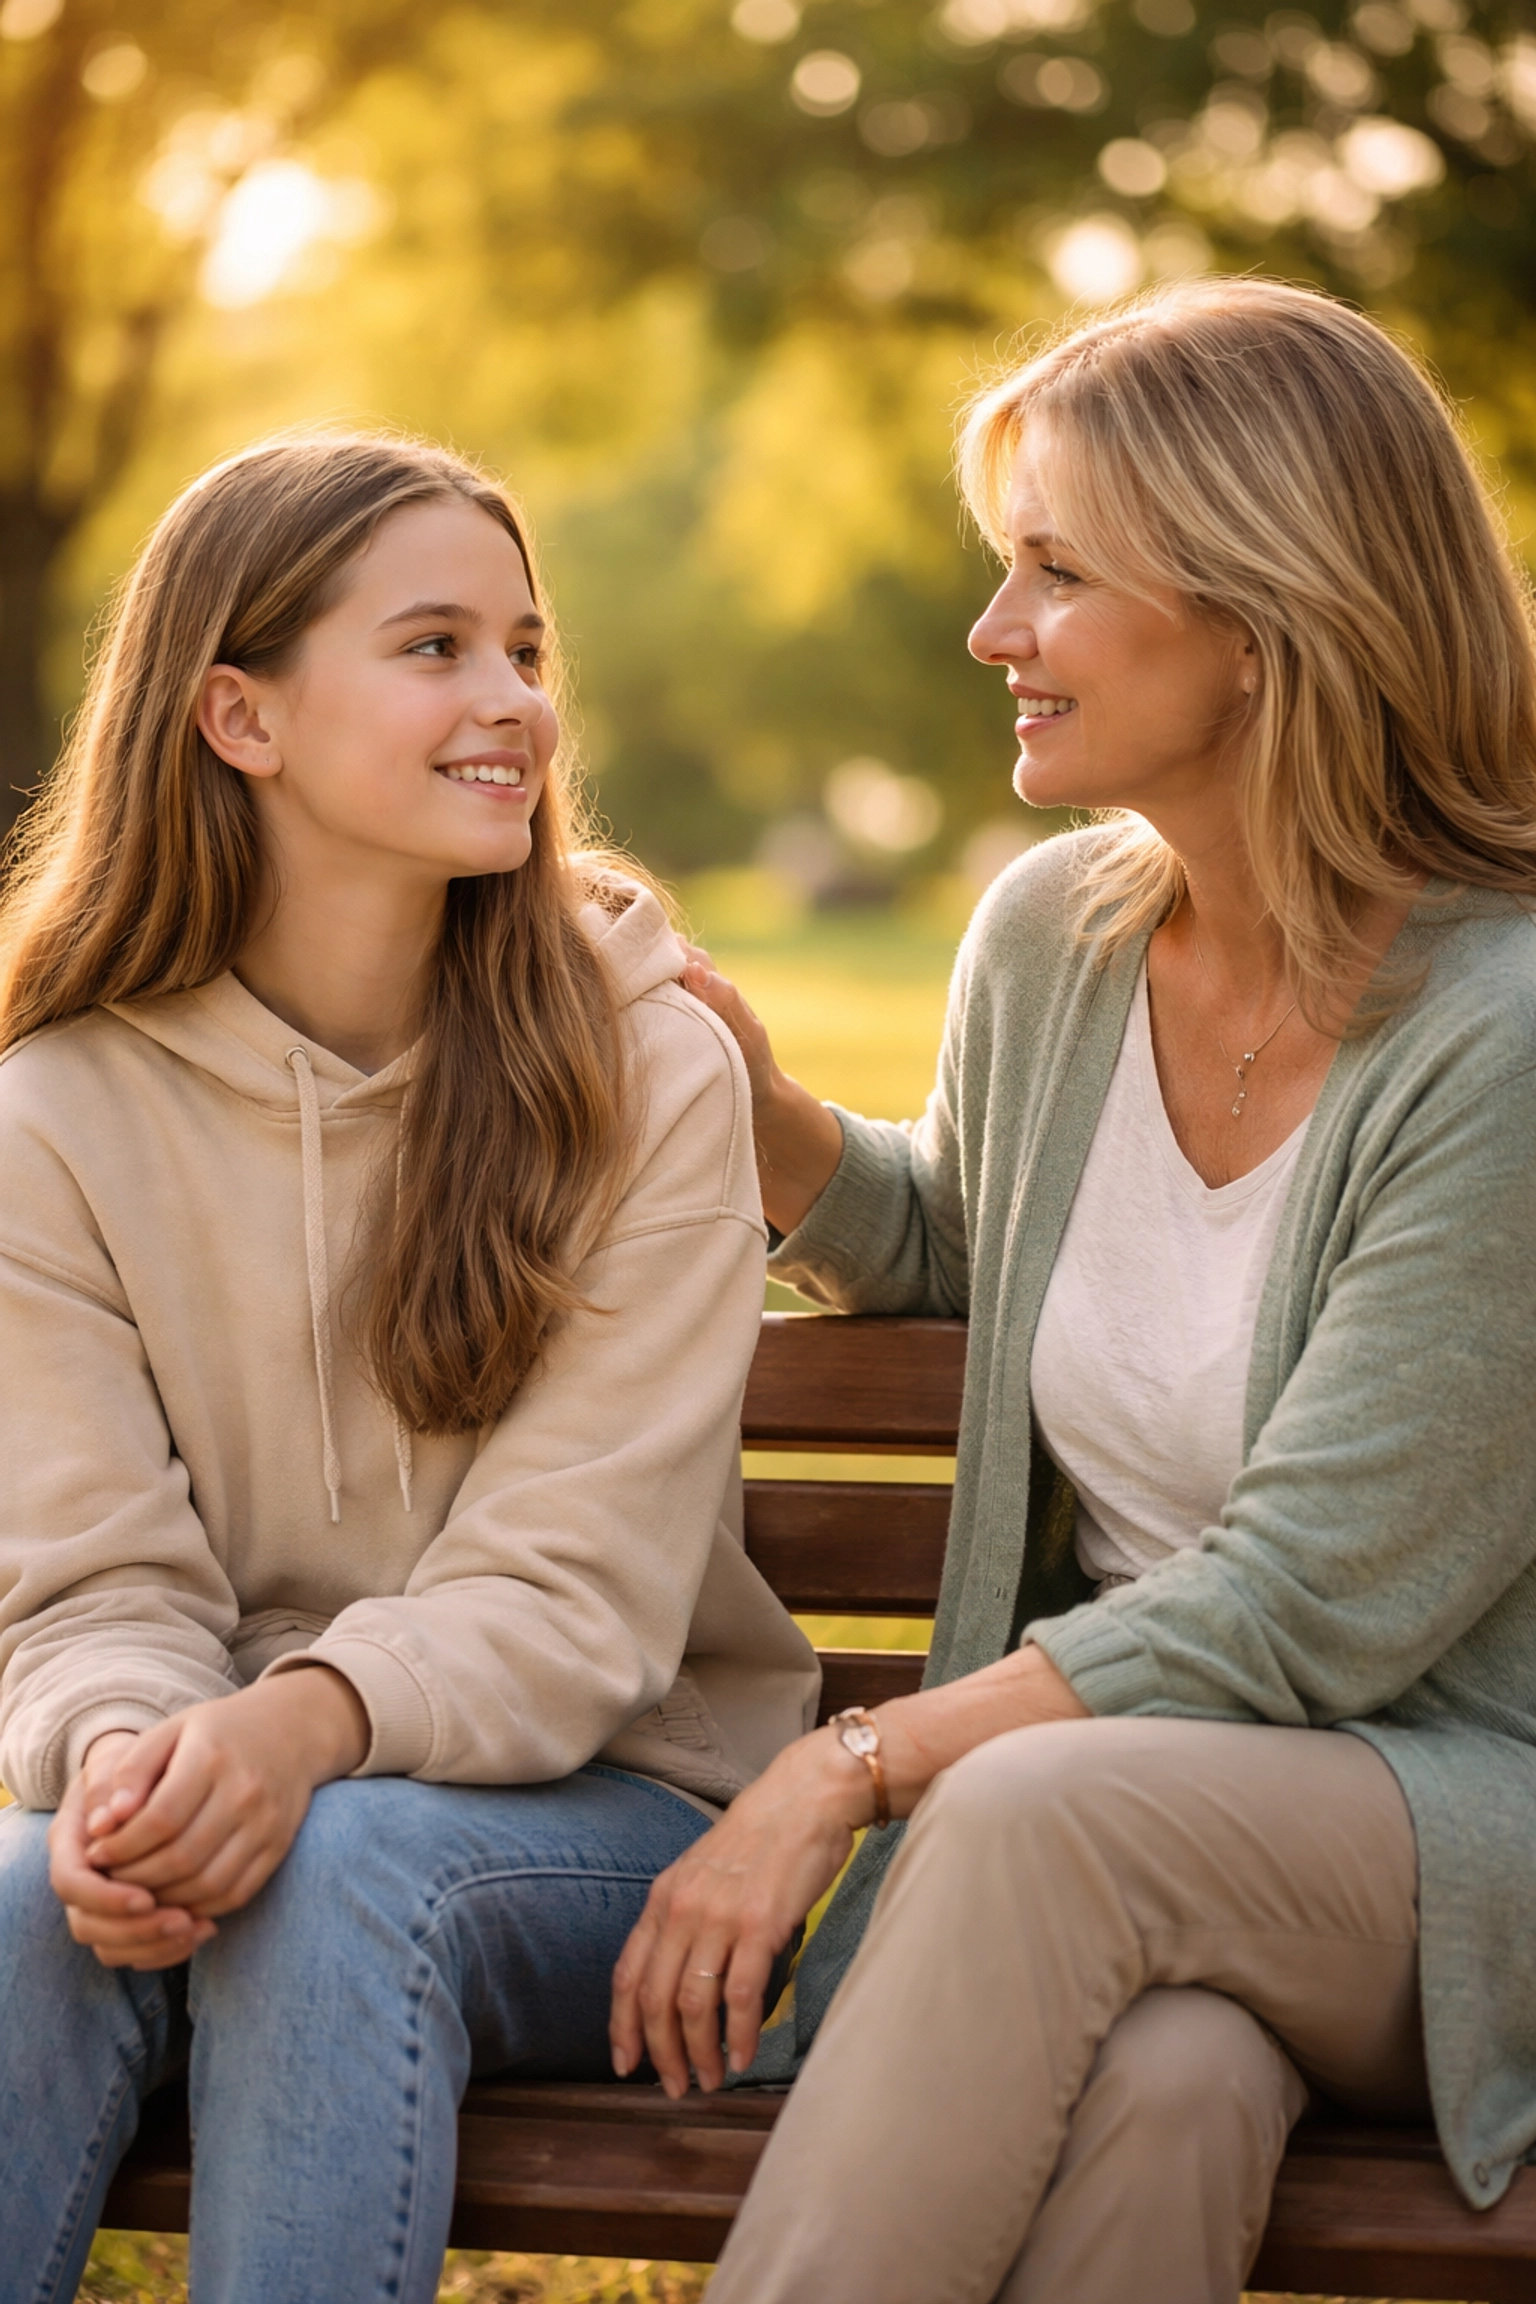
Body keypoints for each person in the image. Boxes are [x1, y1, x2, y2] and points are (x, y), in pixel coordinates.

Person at [609, 278, 1536, 2303]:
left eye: (1053, 574)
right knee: (1175, 2089)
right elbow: (991, 1238)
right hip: (1162, 1827)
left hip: (1466, 1825)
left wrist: (844, 1768)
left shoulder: (1508, 1034)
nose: (990, 635)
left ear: (1262, 613)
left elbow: (1306, 1605)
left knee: (1031, 1815)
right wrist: (763, 1112)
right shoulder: (1058, 935)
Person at [0, 430, 817, 2304]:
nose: (513, 703)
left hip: (615, 1816)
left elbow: (578, 1594)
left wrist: (294, 1734)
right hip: (260, 1785)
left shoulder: (641, 1071)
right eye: (436, 647)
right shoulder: (55, 1115)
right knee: (24, 1901)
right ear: (240, 717)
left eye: (525, 650)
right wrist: (128, 1769)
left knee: (340, 1870)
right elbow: (86, 1583)